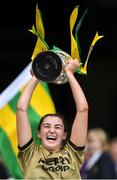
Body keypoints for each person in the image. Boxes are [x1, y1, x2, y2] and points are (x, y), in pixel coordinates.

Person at [16, 58, 88, 179]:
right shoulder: (29, 153)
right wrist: (37, 75)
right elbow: (21, 109)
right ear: (39, 133)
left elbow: (83, 110)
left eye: (58, 127)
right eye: (46, 126)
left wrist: (69, 73)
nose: (52, 130)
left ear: (64, 135)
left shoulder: (73, 154)